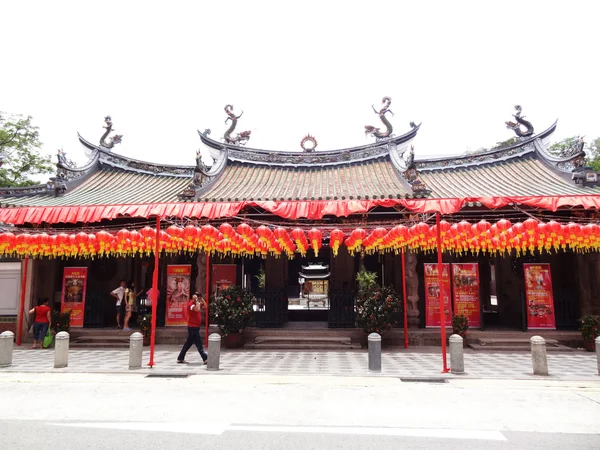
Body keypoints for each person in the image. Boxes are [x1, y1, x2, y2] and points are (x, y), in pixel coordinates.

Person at [177, 293, 208, 365]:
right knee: (198, 343)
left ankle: (180, 358)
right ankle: (205, 358)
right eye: (197, 297)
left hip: (195, 326)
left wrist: (201, 299)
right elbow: (197, 309)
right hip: (192, 327)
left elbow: (205, 306)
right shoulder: (191, 304)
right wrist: (196, 301)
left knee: (188, 343)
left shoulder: (196, 303)